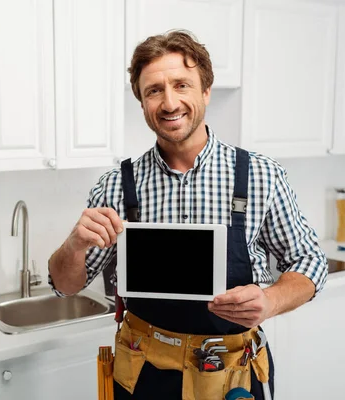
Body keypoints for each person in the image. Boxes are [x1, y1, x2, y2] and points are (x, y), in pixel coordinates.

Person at [48, 30, 328, 400]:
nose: (169, 102)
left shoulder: (259, 174)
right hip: (144, 373)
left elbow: (310, 261)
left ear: (205, 92)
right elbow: (65, 286)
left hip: (232, 376)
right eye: (154, 90)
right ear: (142, 101)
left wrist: (271, 300)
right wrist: (74, 244)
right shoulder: (117, 185)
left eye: (182, 85)